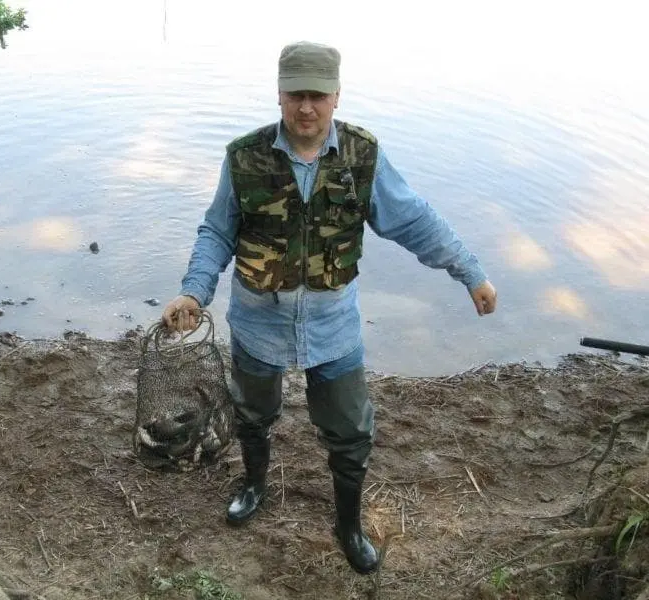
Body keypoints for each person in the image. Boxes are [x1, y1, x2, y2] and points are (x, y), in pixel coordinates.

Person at [162, 40, 497, 575]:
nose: (306, 108)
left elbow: (414, 220)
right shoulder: (243, 157)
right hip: (258, 320)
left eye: (317, 96)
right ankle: (253, 485)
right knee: (253, 413)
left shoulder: (363, 156)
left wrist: (470, 271)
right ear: (279, 95)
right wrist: (194, 291)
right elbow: (216, 231)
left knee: (350, 431)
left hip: (333, 323)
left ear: (337, 96)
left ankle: (348, 523)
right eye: (296, 95)